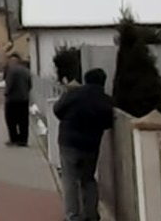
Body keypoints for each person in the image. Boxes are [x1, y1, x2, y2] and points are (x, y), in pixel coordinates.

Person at [53, 68, 114, 221]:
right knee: (88, 179)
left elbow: (57, 109)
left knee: (70, 179)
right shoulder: (105, 100)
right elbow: (108, 123)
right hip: (90, 145)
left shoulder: (74, 93)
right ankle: (91, 215)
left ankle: (73, 215)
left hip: (68, 141)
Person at [4, 53, 32, 146]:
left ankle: (14, 139)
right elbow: (30, 84)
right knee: (23, 121)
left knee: (11, 120)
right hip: (24, 99)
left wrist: (6, 93)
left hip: (13, 100)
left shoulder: (12, 71)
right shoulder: (26, 70)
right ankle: (23, 140)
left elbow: (10, 85)